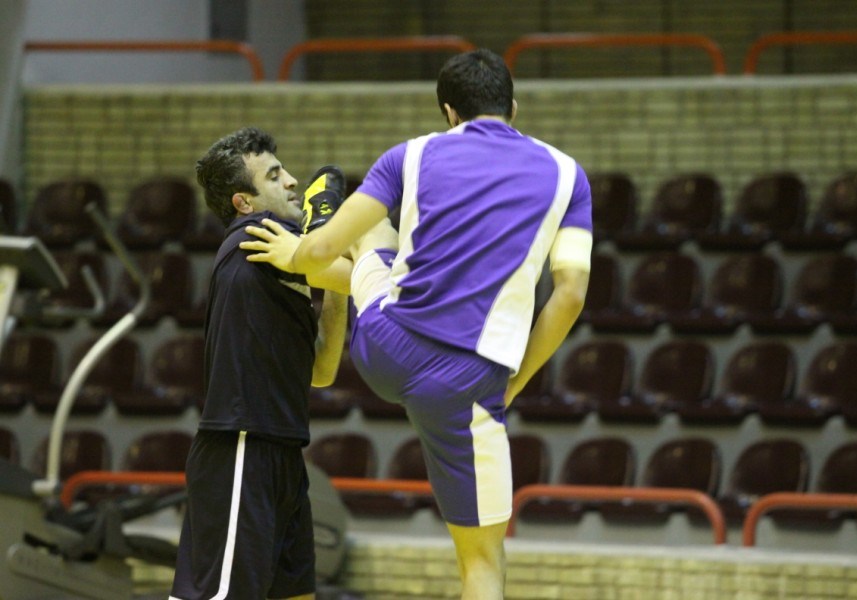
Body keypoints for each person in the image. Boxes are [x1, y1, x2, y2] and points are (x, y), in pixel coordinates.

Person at [240, 49, 592, 600]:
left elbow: (324, 251)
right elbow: (569, 296)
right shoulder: (569, 176)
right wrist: (511, 385)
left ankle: (316, 221)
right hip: (468, 382)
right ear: (514, 108)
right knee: (483, 562)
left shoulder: (410, 154)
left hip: (385, 342)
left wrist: (296, 254)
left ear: (449, 112)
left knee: (370, 237)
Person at [169, 126, 352, 600]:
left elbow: (321, 372)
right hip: (242, 447)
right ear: (243, 203)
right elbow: (372, 277)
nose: (291, 180)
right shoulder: (261, 235)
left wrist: (334, 270)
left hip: (282, 450)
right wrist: (339, 233)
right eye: (273, 176)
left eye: (283, 169)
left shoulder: (285, 259)